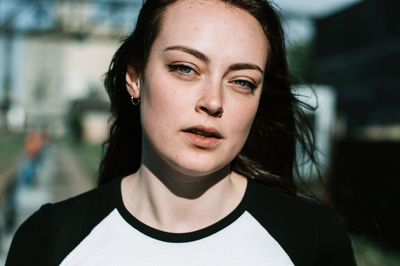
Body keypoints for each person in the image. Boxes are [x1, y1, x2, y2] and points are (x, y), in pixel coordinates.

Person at [6, 0, 356, 265]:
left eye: (242, 82)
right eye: (185, 68)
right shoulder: (49, 241)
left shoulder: (312, 243)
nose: (213, 101)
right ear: (136, 78)